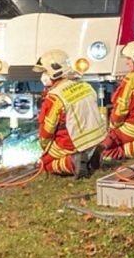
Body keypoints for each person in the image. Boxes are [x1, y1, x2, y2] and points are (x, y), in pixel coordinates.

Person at [34, 49, 106, 177]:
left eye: (45, 71)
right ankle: (91, 156)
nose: (43, 76)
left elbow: (48, 130)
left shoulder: (55, 97)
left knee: (45, 163)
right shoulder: (85, 85)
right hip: (98, 136)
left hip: (73, 141)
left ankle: (73, 162)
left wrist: (44, 147)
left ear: (54, 71)